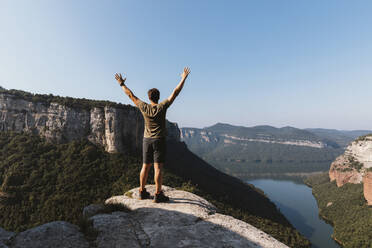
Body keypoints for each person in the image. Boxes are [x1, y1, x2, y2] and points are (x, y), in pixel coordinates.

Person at [115, 67, 190, 203]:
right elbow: (175, 92)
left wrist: (121, 83)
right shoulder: (162, 107)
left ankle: (142, 191)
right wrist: (183, 78)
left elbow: (130, 95)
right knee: (158, 168)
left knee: (145, 166)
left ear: (149, 97)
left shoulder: (144, 107)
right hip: (159, 140)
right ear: (158, 97)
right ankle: (158, 194)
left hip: (146, 140)